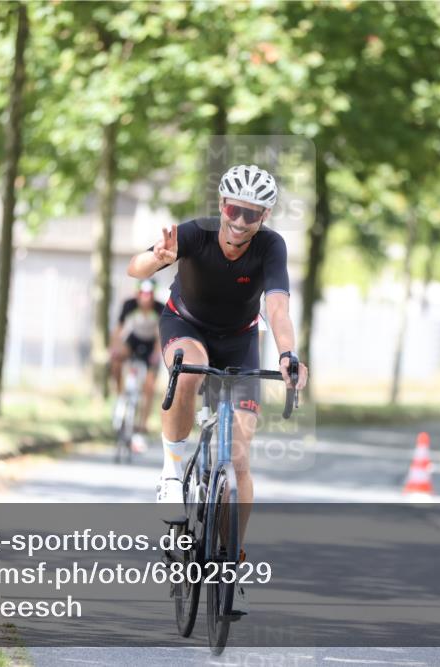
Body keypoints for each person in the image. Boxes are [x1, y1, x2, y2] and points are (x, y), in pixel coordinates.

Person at [126, 163, 309, 546]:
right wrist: (159, 257)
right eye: (233, 210)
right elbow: (135, 269)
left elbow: (277, 307)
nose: (240, 221)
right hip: (186, 325)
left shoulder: (271, 246)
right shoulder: (195, 232)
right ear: (222, 204)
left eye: (252, 213)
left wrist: (288, 353)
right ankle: (172, 474)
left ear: (265, 215)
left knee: (239, 458)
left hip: (239, 340)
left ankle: (233, 560)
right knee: (189, 371)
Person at [109, 279, 165, 446]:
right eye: (142, 293)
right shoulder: (129, 305)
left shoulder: (159, 308)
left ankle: (142, 425)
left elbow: (160, 336)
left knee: (149, 386)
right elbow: (119, 330)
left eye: (149, 294)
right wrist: (114, 348)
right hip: (133, 341)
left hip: (151, 345)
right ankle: (119, 395)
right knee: (117, 360)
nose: (145, 298)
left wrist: (156, 354)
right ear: (137, 293)